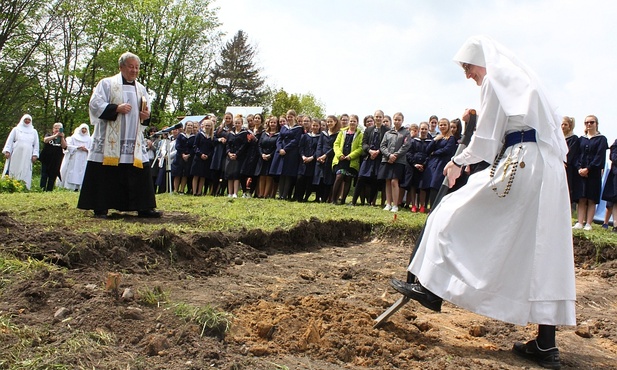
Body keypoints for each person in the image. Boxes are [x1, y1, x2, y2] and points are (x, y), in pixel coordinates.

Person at [391, 36, 576, 370]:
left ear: (483, 61)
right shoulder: (525, 82)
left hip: (522, 161)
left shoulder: (496, 80)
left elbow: (487, 139)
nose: (468, 76)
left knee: (450, 212)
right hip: (546, 169)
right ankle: (546, 345)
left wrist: (457, 161)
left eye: (468, 67)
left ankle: (431, 288)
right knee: (541, 250)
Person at [77, 52, 160, 218]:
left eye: (137, 67)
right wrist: (116, 108)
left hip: (132, 137)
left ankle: (143, 206)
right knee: (105, 172)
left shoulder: (141, 88)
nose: (134, 70)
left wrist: (145, 116)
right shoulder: (107, 84)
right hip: (111, 137)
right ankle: (101, 207)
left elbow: (146, 112)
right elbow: (95, 104)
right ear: (121, 67)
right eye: (131, 66)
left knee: (138, 170)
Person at [571, 115, 608, 231]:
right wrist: (579, 168)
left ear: (596, 124)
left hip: (593, 173)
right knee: (581, 198)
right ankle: (580, 222)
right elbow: (576, 155)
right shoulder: (581, 139)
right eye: (587, 122)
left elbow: (600, 157)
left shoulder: (601, 139)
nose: (589, 124)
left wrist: (588, 169)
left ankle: (588, 223)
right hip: (580, 172)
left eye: (592, 122)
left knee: (591, 198)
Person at [378, 113, 411, 212]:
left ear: (402, 120)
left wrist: (395, 155)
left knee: (394, 181)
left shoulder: (406, 133)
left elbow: (406, 146)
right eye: (395, 119)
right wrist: (389, 155)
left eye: (399, 120)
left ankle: (395, 205)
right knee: (387, 181)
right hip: (387, 159)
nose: (397, 121)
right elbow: (382, 145)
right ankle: (388, 203)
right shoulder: (388, 133)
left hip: (399, 160)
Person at [331, 114, 363, 205]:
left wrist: (351, 156)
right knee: (339, 176)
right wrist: (339, 155)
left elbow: (360, 148)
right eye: (351, 121)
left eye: (354, 121)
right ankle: (334, 200)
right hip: (340, 160)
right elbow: (336, 144)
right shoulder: (342, 132)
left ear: (357, 123)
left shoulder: (360, 134)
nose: (352, 122)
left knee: (348, 179)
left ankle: (343, 200)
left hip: (351, 161)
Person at [2, 114, 39, 189]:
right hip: (16, 152)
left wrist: (35, 154)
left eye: (29, 120)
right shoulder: (16, 129)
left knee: (25, 169)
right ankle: (12, 185)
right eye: (26, 119)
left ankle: (25, 187)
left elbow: (36, 144)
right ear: (22, 120)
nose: (27, 121)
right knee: (14, 168)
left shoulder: (34, 131)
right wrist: (7, 151)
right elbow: (10, 140)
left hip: (28, 154)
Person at [58, 123, 92, 191]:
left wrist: (87, 150)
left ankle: (79, 187)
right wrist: (77, 147)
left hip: (84, 157)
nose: (84, 130)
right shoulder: (74, 137)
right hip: (75, 156)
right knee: (73, 171)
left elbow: (92, 149)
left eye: (85, 129)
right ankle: (70, 186)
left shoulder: (89, 139)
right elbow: (68, 146)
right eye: (83, 128)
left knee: (82, 172)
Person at [39, 122, 67, 191]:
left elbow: (64, 146)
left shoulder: (62, 138)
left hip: (56, 160)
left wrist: (62, 137)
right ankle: (42, 188)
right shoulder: (49, 135)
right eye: (56, 128)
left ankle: (49, 190)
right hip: (46, 159)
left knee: (52, 176)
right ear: (53, 129)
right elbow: (45, 140)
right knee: (44, 175)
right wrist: (55, 136)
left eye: (59, 128)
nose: (57, 130)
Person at [561, 116, 578, 209]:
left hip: (567, 168)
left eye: (565, 124)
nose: (563, 126)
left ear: (570, 126)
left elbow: (570, 153)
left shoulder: (573, 139)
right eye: (562, 124)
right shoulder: (557, 138)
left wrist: (563, 162)